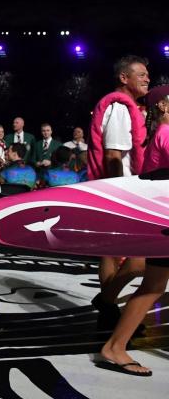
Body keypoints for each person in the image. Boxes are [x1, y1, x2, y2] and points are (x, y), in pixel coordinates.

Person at [97, 84, 169, 377]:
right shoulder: (166, 134)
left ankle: (115, 345)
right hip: (164, 222)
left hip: (163, 220)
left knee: (153, 286)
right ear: (163, 107)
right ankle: (114, 347)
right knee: (152, 286)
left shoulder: (161, 135)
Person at [88, 55, 150, 328]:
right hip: (119, 191)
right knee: (139, 262)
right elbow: (113, 155)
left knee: (111, 253)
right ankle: (107, 303)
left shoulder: (127, 108)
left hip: (118, 190)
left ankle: (108, 309)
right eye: (141, 74)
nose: (147, 78)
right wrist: (119, 196)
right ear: (124, 78)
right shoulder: (120, 108)